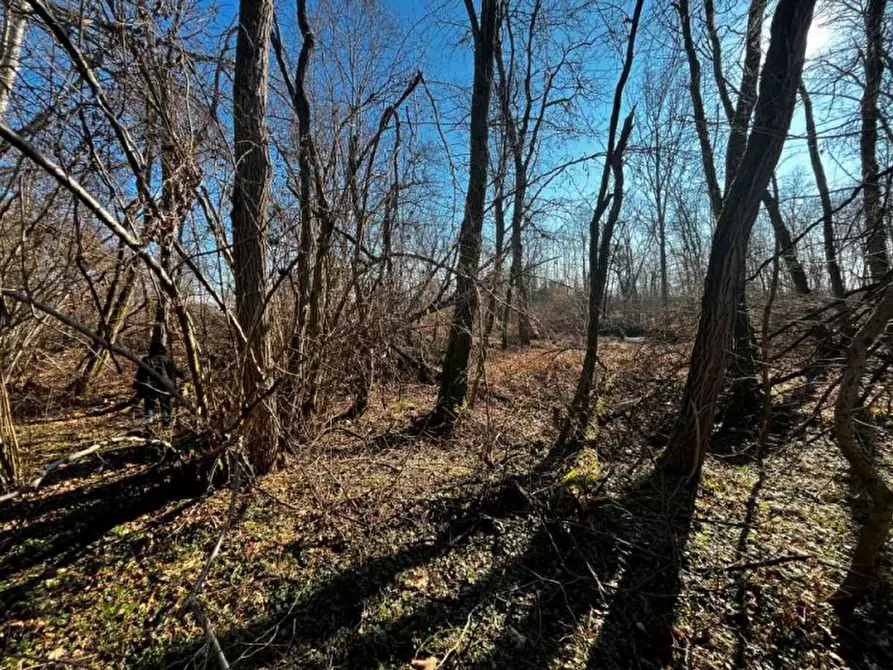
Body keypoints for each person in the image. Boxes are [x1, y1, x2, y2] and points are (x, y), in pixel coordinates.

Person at [133, 342, 184, 426]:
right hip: (165, 385)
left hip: (150, 385)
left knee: (149, 403)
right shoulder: (167, 359)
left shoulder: (146, 360)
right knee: (165, 404)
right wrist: (184, 376)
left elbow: (140, 375)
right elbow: (176, 371)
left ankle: (149, 421)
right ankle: (166, 422)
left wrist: (137, 386)